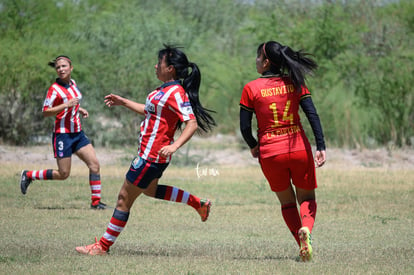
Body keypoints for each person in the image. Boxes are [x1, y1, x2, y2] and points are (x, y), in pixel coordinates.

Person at [75, 45, 216, 255]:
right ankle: (198, 204)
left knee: (124, 199)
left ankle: (102, 246)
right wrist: (123, 102)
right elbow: (148, 110)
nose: (155, 65)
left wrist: (175, 146)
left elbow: (192, 123)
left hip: (150, 157)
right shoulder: (163, 90)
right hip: (151, 155)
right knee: (150, 190)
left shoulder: (176, 93)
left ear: (171, 69)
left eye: (159, 63)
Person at [239, 41, 326, 262]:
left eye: (258, 57)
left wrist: (253, 145)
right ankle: (306, 229)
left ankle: (301, 244)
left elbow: (244, 127)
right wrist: (321, 145)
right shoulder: (296, 82)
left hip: (270, 151)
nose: (256, 61)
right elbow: (312, 115)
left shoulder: (251, 88)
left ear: (266, 61)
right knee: (306, 197)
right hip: (298, 147)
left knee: (287, 202)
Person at [19, 55, 107, 209]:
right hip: (63, 135)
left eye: (64, 66)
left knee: (94, 165)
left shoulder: (73, 83)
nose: (61, 69)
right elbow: (46, 112)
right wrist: (66, 105)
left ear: (71, 68)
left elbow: (73, 102)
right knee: (63, 174)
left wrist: (79, 109)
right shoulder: (54, 89)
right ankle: (29, 175)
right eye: (58, 67)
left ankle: (96, 203)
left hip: (78, 134)